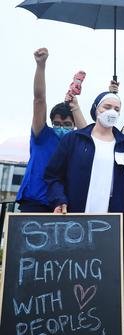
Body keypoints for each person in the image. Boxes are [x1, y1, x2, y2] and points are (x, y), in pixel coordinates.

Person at [44, 90, 124, 220]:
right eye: (107, 107)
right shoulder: (74, 139)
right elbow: (53, 175)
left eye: (116, 109)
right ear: (96, 109)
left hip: (111, 224)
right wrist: (59, 200)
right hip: (73, 217)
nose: (112, 112)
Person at [17, 48, 88, 213]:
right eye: (57, 123)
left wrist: (75, 106)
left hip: (64, 205)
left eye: (67, 125)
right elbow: (39, 100)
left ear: (74, 125)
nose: (61, 128)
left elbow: (88, 136)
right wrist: (41, 65)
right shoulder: (42, 135)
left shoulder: (76, 141)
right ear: (50, 123)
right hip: (35, 203)